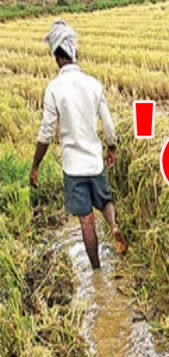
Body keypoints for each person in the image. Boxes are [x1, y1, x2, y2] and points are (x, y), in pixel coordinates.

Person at [30, 20, 128, 270]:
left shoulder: (54, 89)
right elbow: (107, 123)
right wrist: (112, 147)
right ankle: (114, 225)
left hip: (73, 167)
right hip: (94, 160)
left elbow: (46, 132)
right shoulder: (93, 84)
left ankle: (96, 271)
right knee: (105, 200)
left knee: (86, 221)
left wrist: (35, 166)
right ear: (75, 54)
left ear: (57, 57)